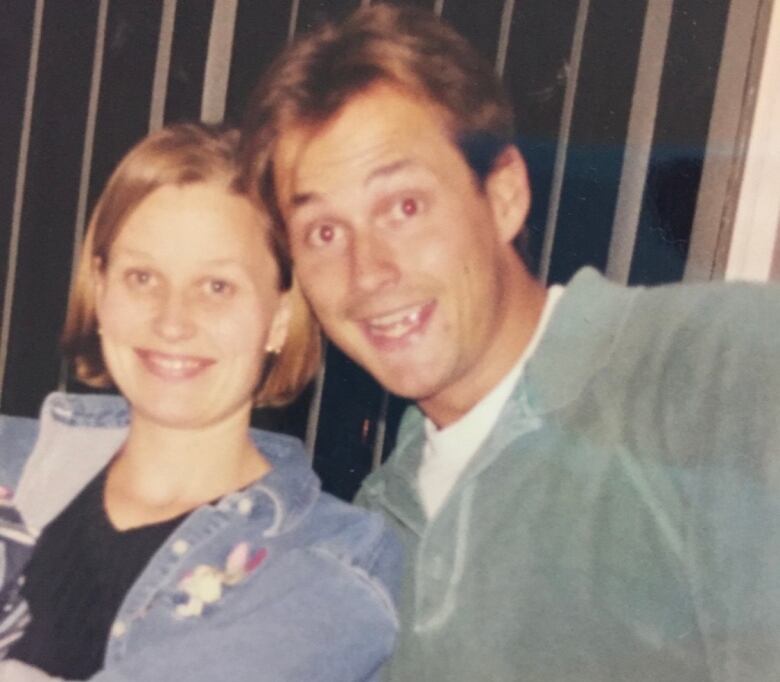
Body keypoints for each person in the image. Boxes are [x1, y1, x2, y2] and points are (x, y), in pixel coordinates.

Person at [240, 4, 780, 680]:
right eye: (323, 233)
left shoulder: (716, 365)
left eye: (404, 207)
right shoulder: (372, 533)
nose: (367, 271)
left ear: (504, 198)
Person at [0, 123, 401, 681]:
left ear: (280, 317)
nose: (172, 320)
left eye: (217, 286)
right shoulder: (9, 461)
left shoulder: (327, 563)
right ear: (101, 286)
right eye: (143, 277)